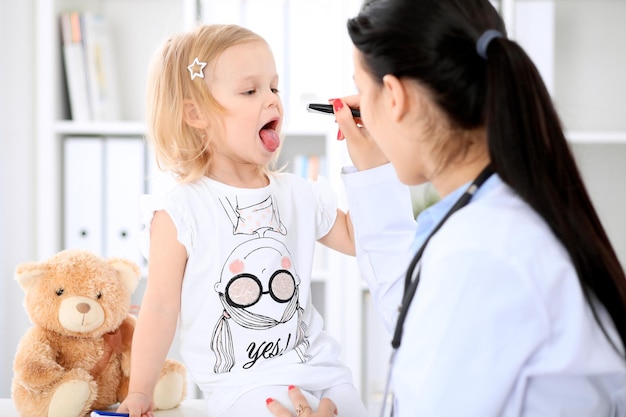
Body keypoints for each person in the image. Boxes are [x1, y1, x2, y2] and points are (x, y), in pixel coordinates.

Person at [265, 0, 626, 416]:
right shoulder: (498, 216)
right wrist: (376, 176)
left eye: (364, 92)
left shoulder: (479, 253)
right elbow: (415, 307)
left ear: (395, 97)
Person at [117, 24, 367, 417]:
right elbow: (161, 307)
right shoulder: (180, 211)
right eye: (251, 91)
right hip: (245, 388)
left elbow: (359, 238)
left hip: (327, 374)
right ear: (195, 114)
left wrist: (371, 153)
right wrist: (141, 392)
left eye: (274, 87)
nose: (272, 101)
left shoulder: (300, 194)